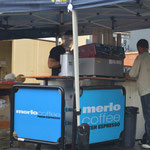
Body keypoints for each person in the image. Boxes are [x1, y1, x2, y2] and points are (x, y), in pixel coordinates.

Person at [129, 39, 150, 149]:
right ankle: (145, 138)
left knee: (148, 115)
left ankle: (149, 141)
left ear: (140, 48)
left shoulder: (140, 57)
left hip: (146, 90)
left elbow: (132, 73)